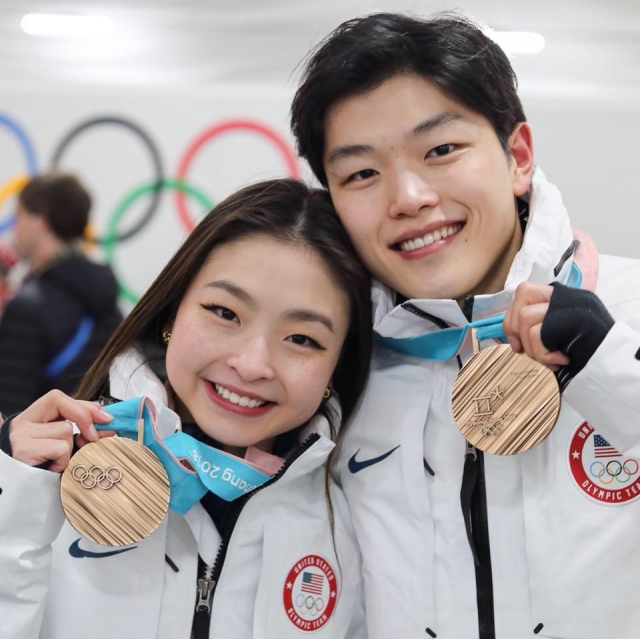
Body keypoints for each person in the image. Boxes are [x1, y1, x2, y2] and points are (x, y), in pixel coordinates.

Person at [290, 12, 640, 639]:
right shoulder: (336, 371)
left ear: (518, 157)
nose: (409, 196)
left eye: (441, 150)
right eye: (361, 173)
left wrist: (609, 365)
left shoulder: (629, 308)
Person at [0, 178, 371, 638]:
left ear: (337, 364)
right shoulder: (46, 478)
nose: (252, 365)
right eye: (225, 313)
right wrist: (13, 498)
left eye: (302, 339)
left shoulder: (357, 516)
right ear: (173, 312)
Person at [0, 173, 122, 416]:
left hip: (39, 448)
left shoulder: (26, 308)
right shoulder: (105, 294)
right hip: (97, 442)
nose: (15, 227)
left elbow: (9, 419)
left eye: (20, 215)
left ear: (40, 221)